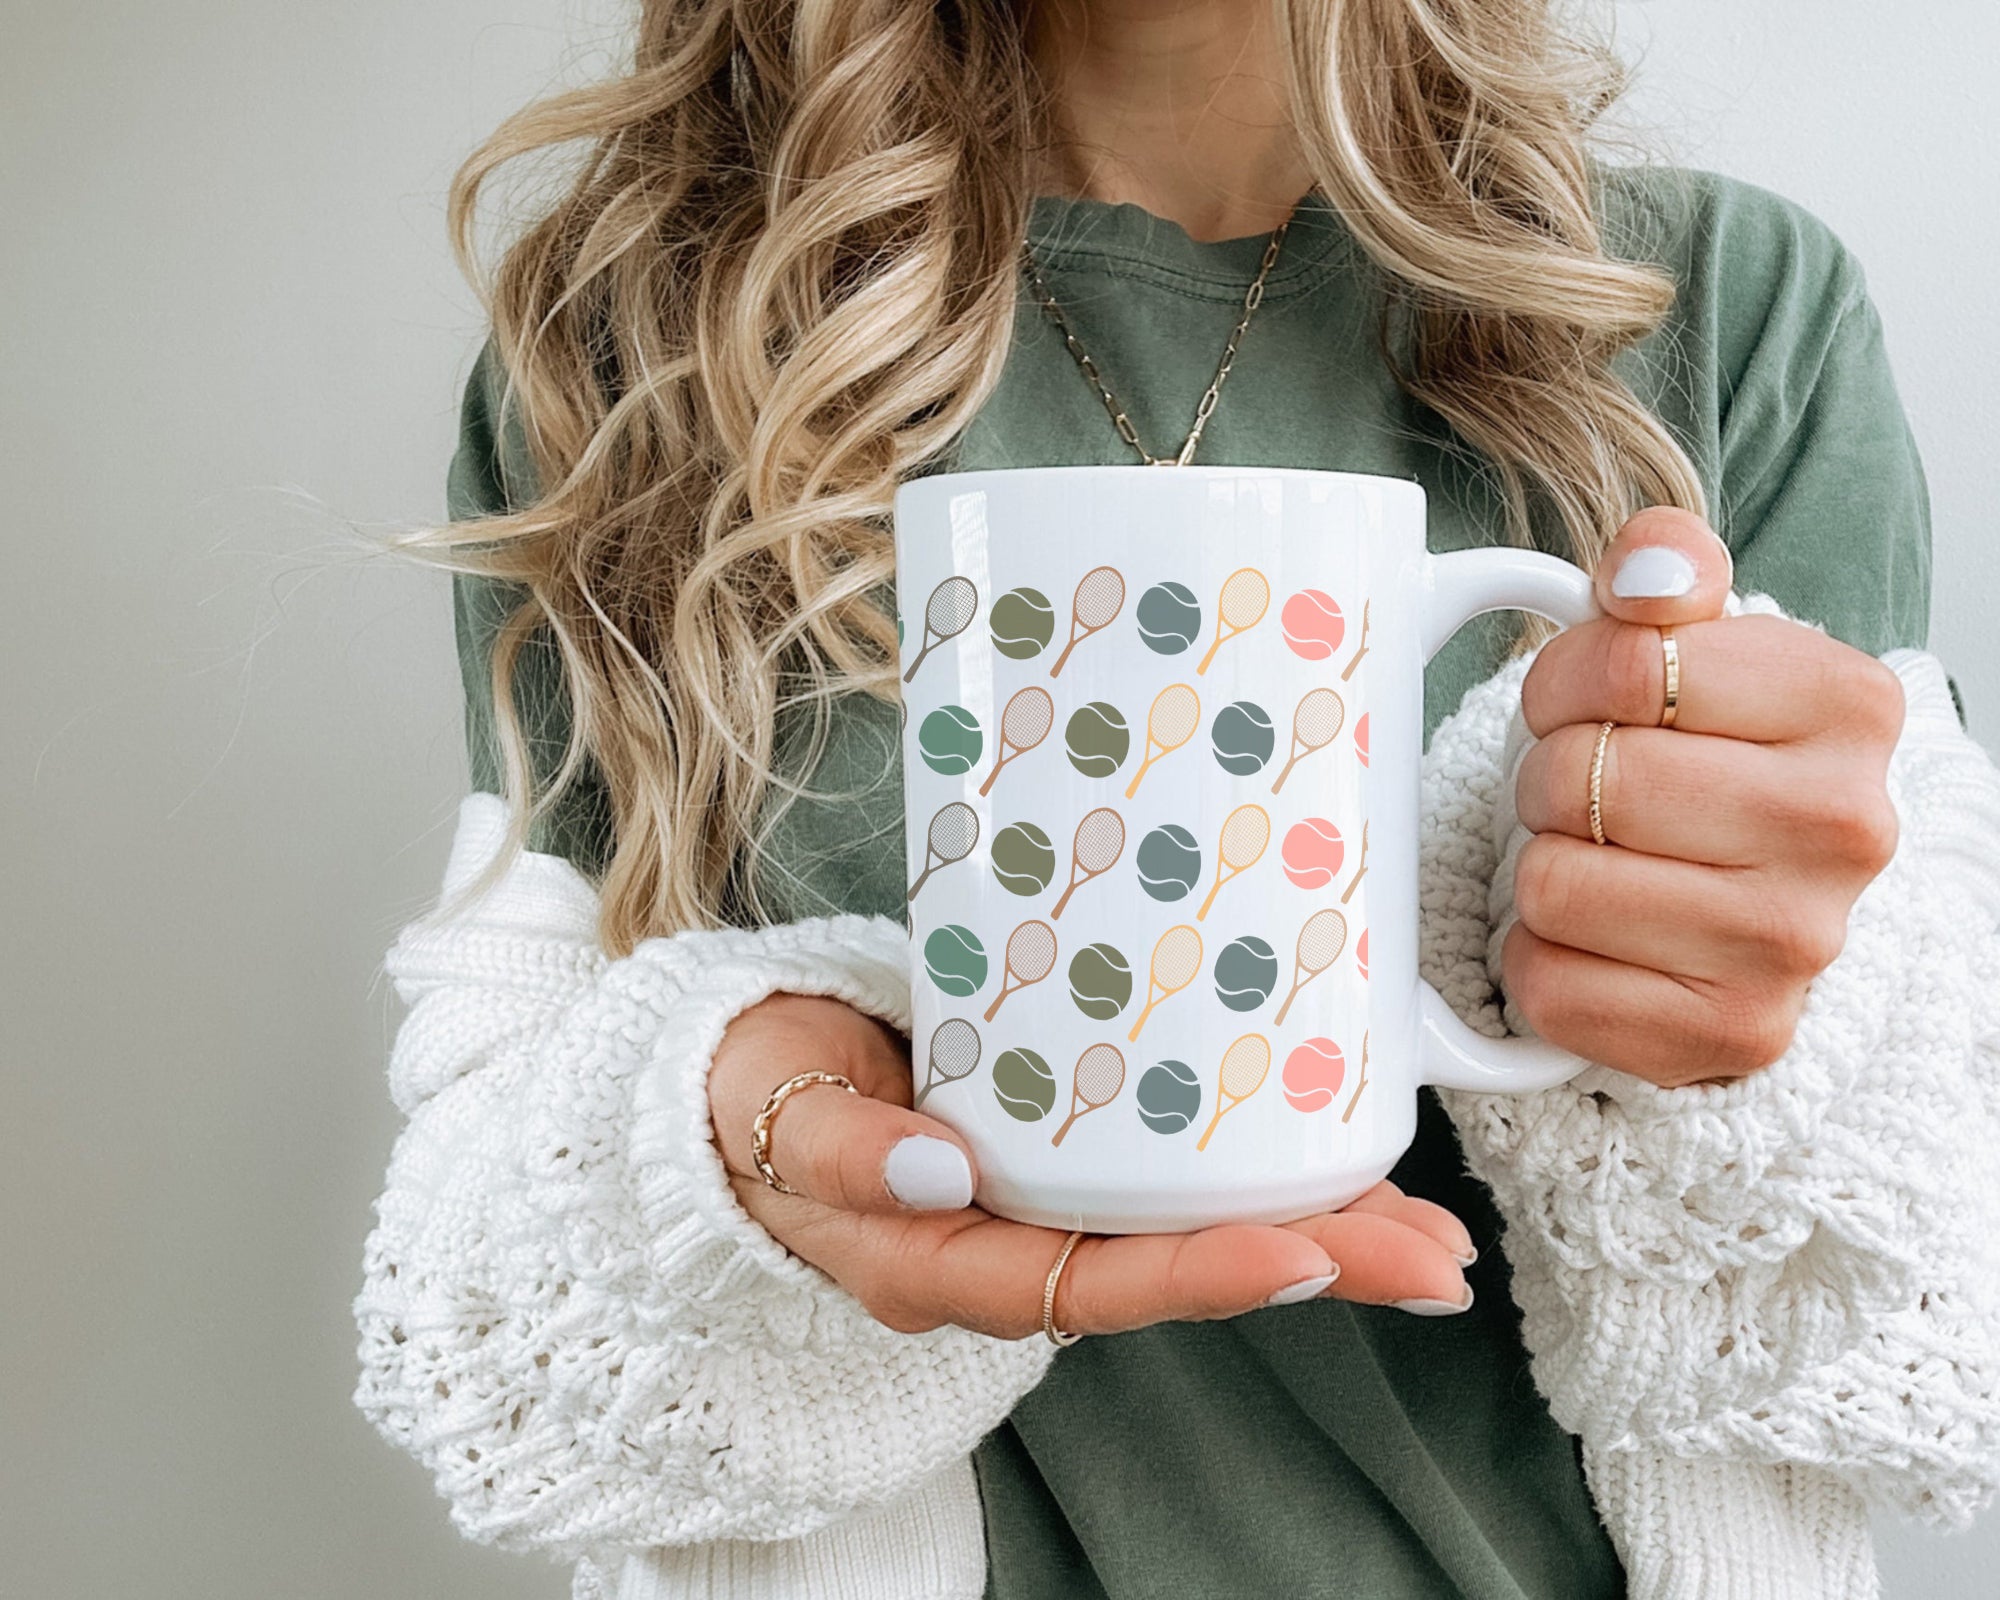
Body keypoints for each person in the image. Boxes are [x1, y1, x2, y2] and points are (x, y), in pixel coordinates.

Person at [351, 0, 2000, 1595]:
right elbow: (483, 1287)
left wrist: (1751, 1020)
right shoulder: (632, 350)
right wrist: (708, 1164)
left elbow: (1920, 1285)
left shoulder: (1715, 309)